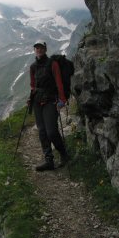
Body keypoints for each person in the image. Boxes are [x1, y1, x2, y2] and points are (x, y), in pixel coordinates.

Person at [28, 41, 69, 171]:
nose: (38, 50)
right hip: (37, 102)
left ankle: (63, 154)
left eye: (41, 48)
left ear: (45, 49)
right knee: (42, 131)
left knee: (51, 131)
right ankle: (49, 160)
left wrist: (62, 99)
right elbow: (33, 85)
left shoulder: (53, 64)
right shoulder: (33, 67)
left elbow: (59, 82)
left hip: (51, 100)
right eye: (36, 48)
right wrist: (30, 98)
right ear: (34, 50)